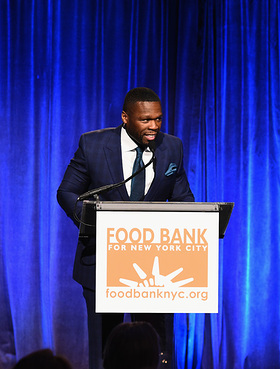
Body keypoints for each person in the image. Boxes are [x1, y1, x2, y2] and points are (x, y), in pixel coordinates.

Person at [57, 87, 194, 369]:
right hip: (102, 261)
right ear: (125, 117)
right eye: (145, 120)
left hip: (155, 269)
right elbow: (67, 192)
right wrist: (92, 219)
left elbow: (183, 199)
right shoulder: (92, 145)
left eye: (158, 118)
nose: (154, 126)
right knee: (106, 351)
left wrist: (194, 223)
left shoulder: (172, 147)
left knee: (157, 352)